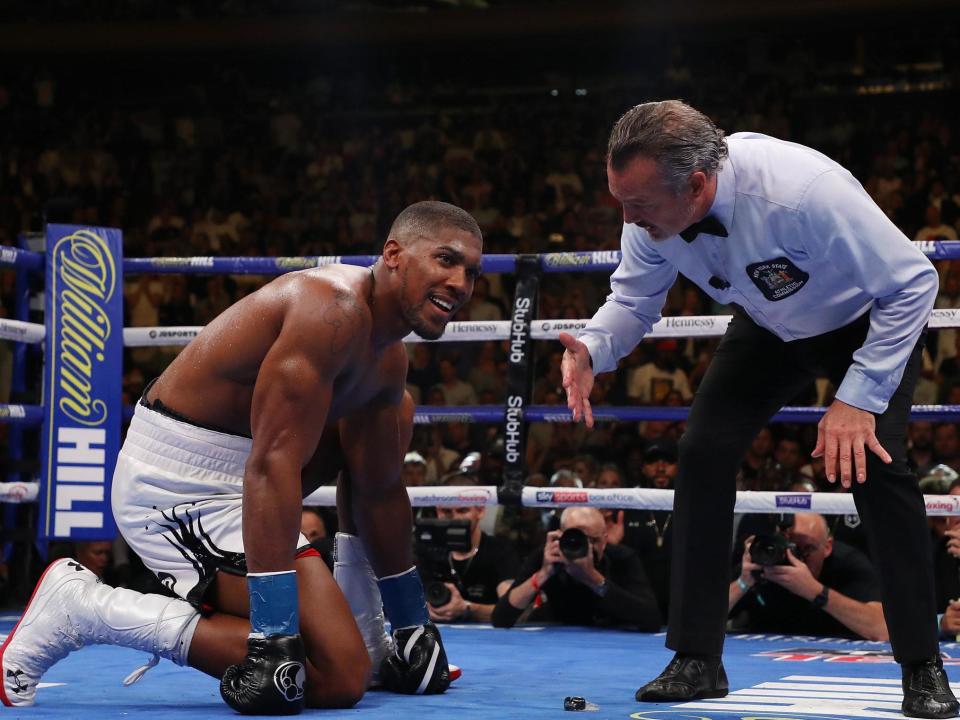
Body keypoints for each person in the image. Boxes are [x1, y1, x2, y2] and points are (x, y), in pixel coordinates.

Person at [1, 201, 483, 713]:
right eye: (445, 260)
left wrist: (412, 621)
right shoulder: (332, 310)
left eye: (471, 271)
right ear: (393, 254)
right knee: (337, 679)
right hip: (180, 486)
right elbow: (272, 466)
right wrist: (273, 638)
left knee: (394, 414)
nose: (460, 282)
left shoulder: (388, 356)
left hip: (250, 473)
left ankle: (373, 637)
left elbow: (382, 488)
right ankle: (86, 608)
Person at [560, 100, 957, 717]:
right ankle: (697, 658)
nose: (627, 217)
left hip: (868, 321)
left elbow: (913, 282)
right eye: (621, 200)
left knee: (876, 467)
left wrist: (857, 396)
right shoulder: (649, 212)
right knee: (702, 452)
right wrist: (592, 346)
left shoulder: (803, 192)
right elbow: (634, 299)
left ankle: (923, 666)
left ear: (695, 185)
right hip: (769, 326)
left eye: (637, 204)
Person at [491, 506, 662, 631]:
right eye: (577, 538)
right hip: (558, 642)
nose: (586, 547)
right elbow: (500, 618)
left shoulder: (622, 558)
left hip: (613, 643)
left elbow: (651, 619)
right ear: (560, 535)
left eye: (593, 540)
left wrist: (592, 579)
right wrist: (544, 573)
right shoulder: (548, 556)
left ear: (604, 541)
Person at [729, 513, 887, 641]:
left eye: (807, 548)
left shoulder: (847, 563)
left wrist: (815, 591)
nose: (797, 557)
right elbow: (706, 622)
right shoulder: (765, 559)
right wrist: (743, 583)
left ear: (827, 547)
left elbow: (882, 629)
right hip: (762, 660)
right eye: (790, 546)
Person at [419, 487, 520, 624]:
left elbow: (512, 610)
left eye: (462, 510)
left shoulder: (500, 552)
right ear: (437, 511)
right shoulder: (427, 553)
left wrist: (467, 608)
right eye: (446, 511)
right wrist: (423, 610)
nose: (455, 518)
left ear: (480, 510)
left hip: (490, 639)